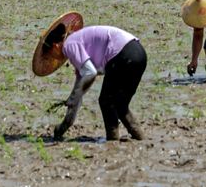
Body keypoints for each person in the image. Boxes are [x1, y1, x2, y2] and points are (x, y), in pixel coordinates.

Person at [32, 12, 147, 141]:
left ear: (55, 46)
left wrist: (72, 96)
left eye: (50, 56)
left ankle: (113, 141)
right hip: (139, 54)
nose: (52, 59)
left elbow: (90, 73)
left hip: (122, 54)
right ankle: (140, 137)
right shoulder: (78, 50)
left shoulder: (69, 45)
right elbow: (78, 95)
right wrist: (63, 126)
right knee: (120, 105)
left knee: (106, 101)